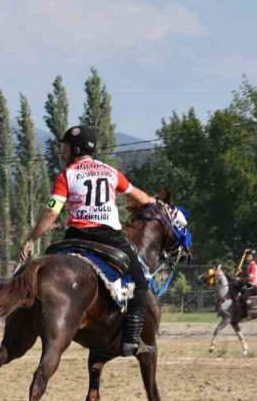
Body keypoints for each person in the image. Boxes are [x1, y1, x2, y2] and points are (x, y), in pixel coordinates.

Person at [18, 125, 156, 356]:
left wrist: (30, 239)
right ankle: (132, 340)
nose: (62, 152)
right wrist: (156, 203)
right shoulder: (111, 172)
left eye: (64, 147)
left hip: (75, 237)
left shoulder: (66, 175)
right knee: (140, 282)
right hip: (109, 237)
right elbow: (141, 197)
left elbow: (51, 213)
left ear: (75, 149)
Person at [236, 248, 257, 315]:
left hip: (255, 285)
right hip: (250, 284)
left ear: (252, 257)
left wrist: (240, 279)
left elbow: (250, 278)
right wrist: (240, 272)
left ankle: (245, 314)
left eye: (249, 256)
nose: (247, 258)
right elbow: (245, 275)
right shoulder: (249, 266)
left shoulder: (253, 265)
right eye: (247, 256)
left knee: (243, 298)